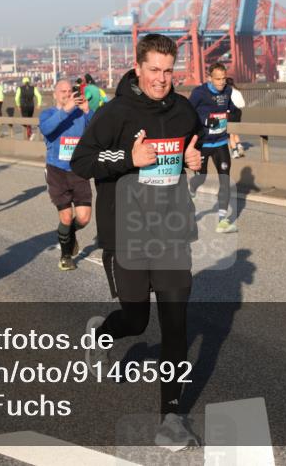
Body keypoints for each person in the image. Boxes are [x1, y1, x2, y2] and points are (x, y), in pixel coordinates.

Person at [70, 33, 203, 449]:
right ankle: (102, 334)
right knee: (136, 319)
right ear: (139, 67)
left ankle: (171, 419)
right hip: (125, 232)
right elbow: (82, 160)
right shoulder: (116, 113)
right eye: (154, 70)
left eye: (168, 71)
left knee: (176, 326)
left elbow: (188, 156)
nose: (161, 79)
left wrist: (192, 163)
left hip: (170, 231)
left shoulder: (184, 112)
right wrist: (130, 158)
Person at [40, 79, 93, 271]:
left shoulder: (80, 114)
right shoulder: (48, 114)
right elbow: (47, 129)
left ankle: (69, 233)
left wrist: (87, 111)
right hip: (56, 171)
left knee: (84, 218)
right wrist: (66, 110)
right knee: (65, 216)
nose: (67, 94)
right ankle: (65, 256)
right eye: (62, 91)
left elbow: (97, 130)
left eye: (70, 91)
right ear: (55, 94)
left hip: (78, 170)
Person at [188, 62, 238, 234]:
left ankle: (222, 221)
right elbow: (188, 113)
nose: (221, 82)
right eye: (217, 79)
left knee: (225, 180)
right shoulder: (199, 93)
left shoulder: (228, 91)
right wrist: (204, 121)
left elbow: (231, 110)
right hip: (204, 144)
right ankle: (192, 189)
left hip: (221, 143)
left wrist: (236, 110)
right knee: (200, 178)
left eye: (223, 79)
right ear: (209, 78)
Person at [225, 76, 245, 158]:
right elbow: (243, 104)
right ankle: (239, 146)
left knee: (230, 134)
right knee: (235, 132)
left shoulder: (227, 92)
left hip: (230, 114)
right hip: (238, 113)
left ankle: (235, 152)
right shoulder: (238, 92)